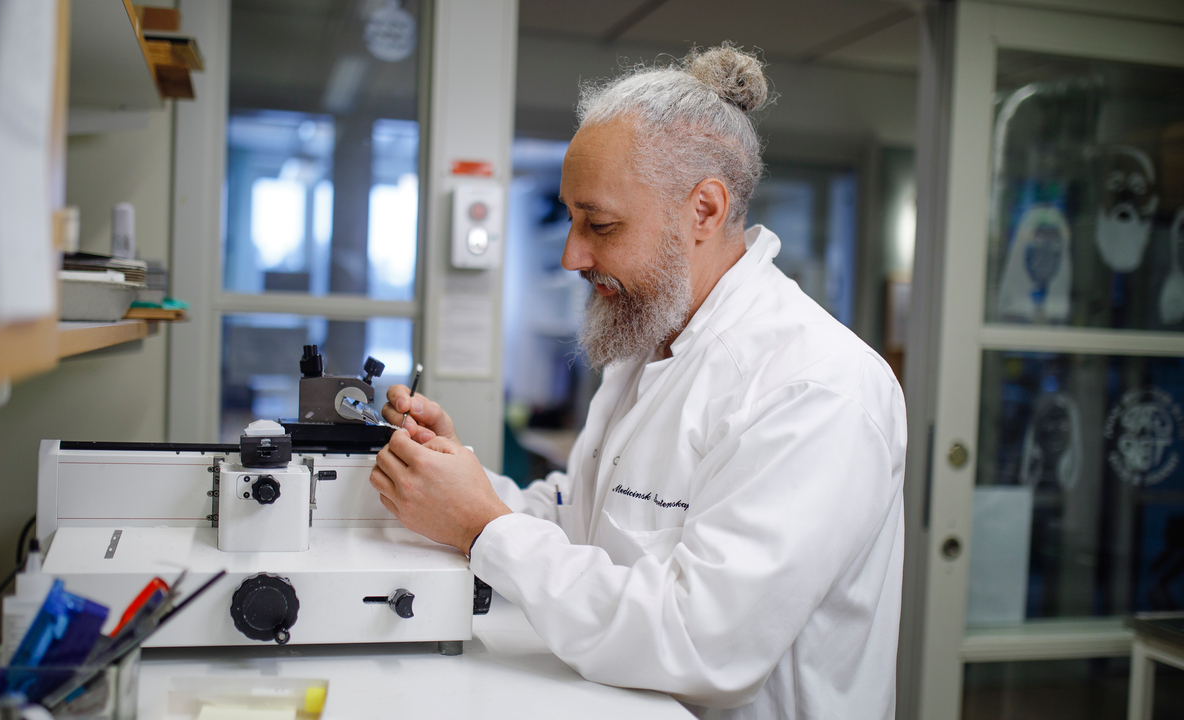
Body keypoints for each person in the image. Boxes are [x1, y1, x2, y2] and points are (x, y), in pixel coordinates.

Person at [370, 44, 907, 720]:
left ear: (704, 212)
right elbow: (581, 525)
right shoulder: (649, 345)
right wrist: (453, 478)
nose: (572, 254)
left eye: (599, 224)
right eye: (570, 219)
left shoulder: (816, 386)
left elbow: (702, 643)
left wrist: (482, 527)